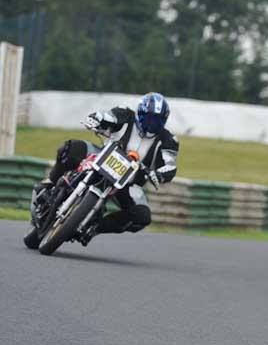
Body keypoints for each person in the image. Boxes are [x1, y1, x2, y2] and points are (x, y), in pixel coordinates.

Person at [34, 92, 179, 244]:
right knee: (70, 148)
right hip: (102, 156)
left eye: (157, 121)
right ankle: (50, 182)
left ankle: (94, 227)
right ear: (140, 113)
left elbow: (170, 165)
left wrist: (158, 174)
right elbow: (108, 116)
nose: (152, 124)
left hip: (128, 182)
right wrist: (97, 119)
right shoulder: (125, 114)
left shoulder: (169, 140)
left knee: (142, 216)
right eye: (149, 118)